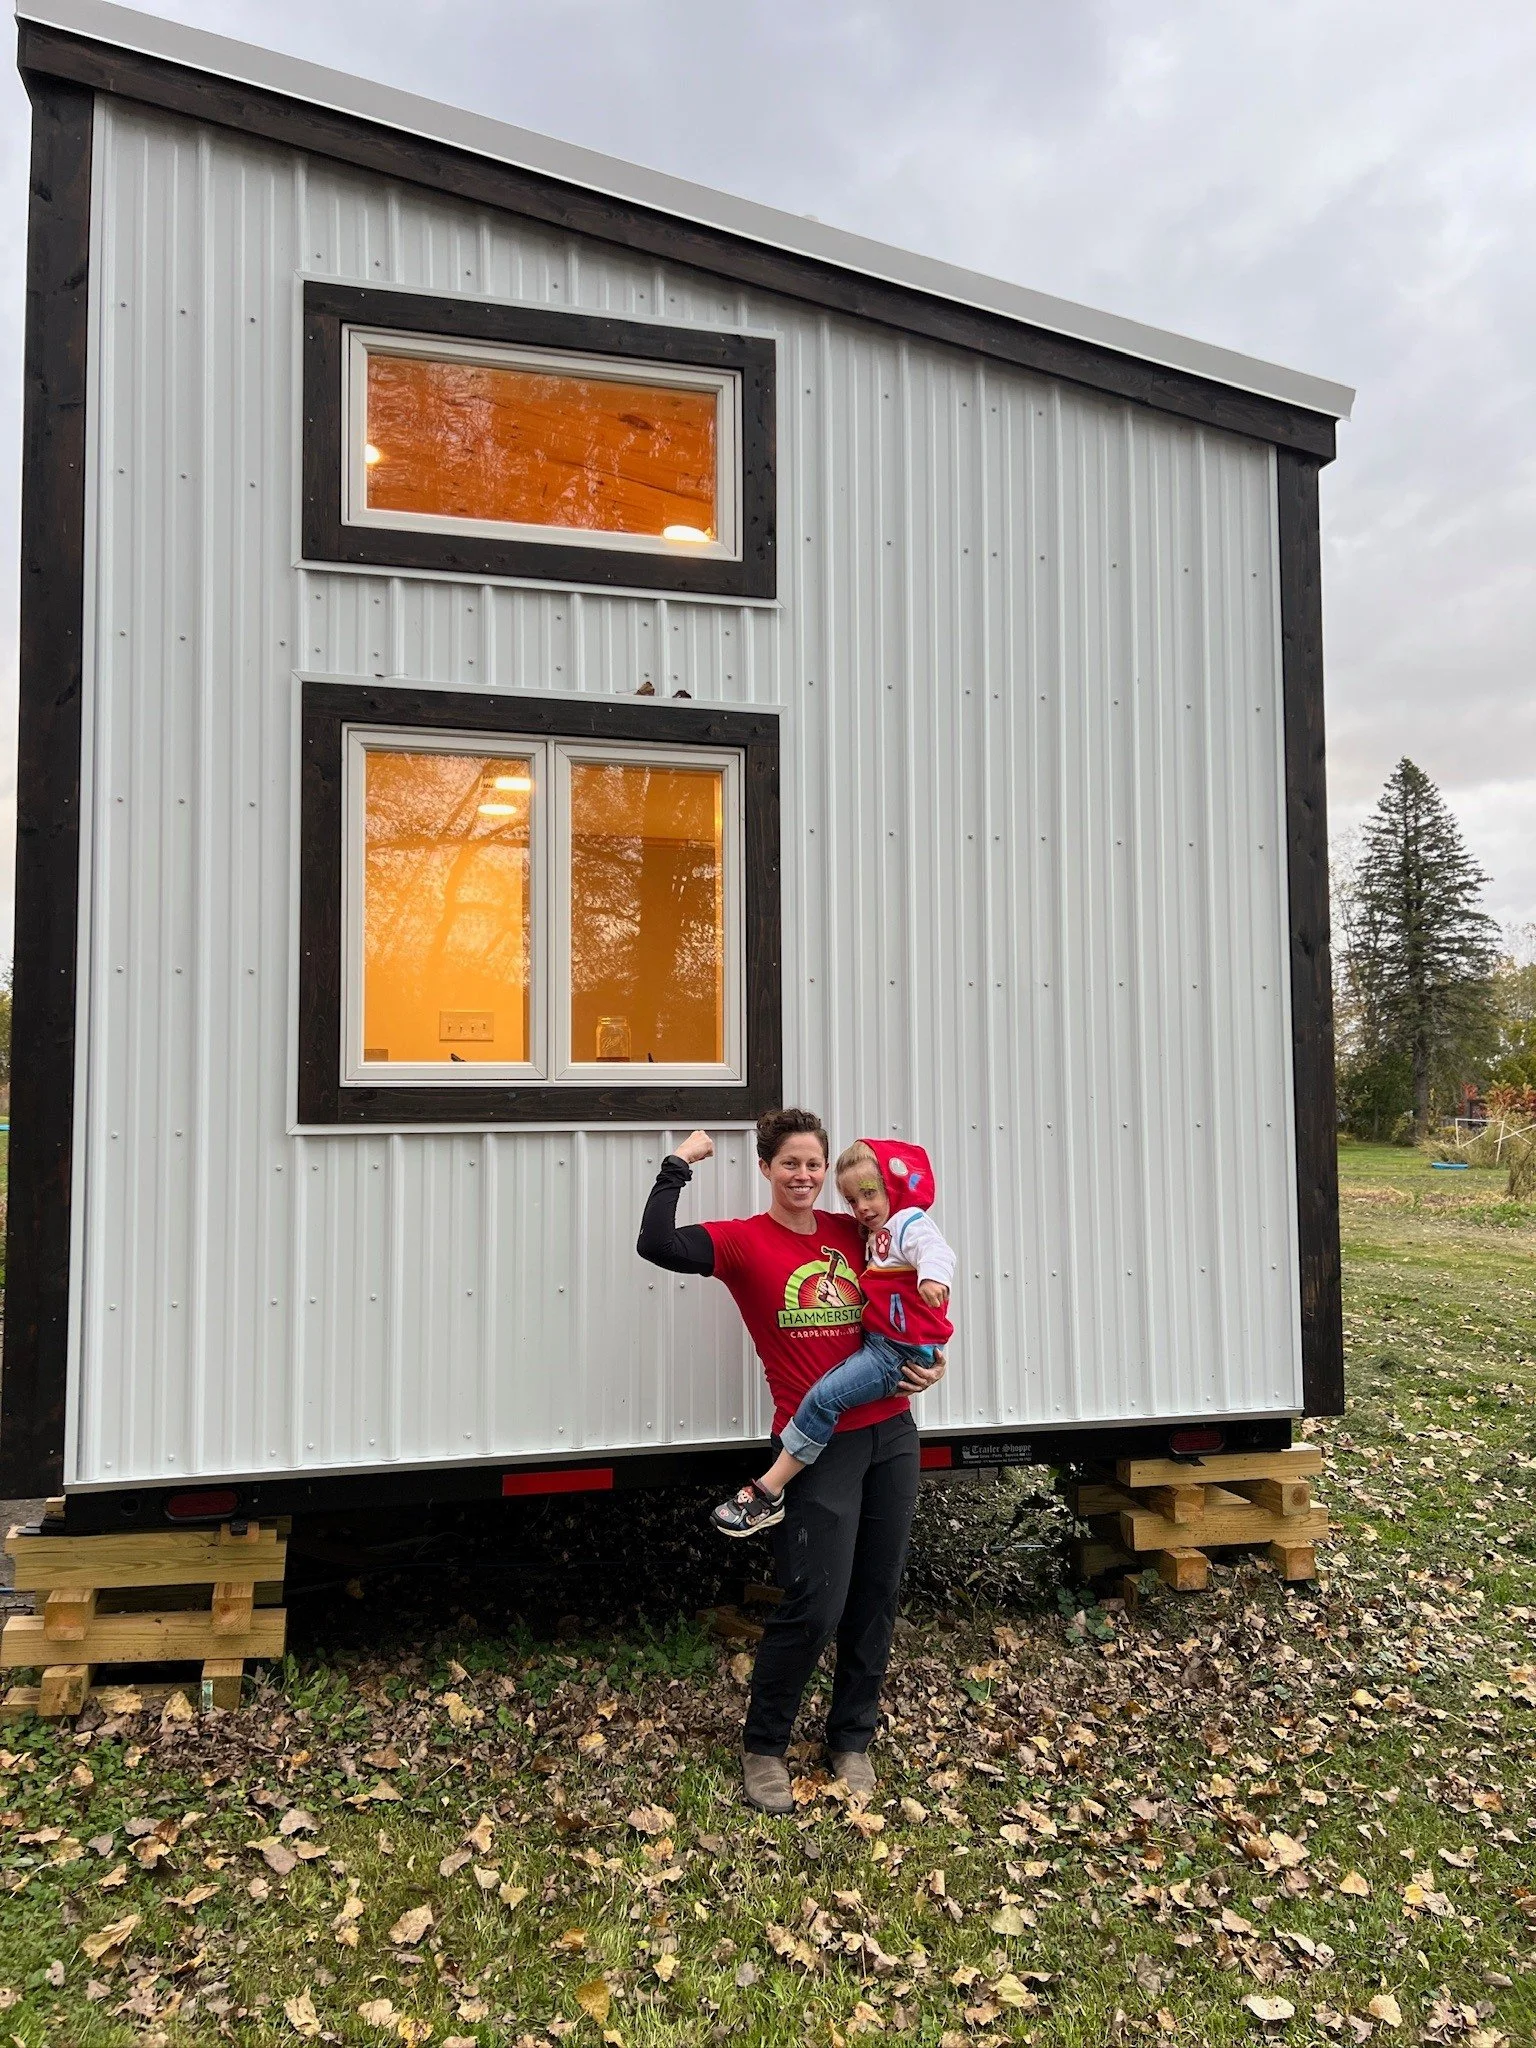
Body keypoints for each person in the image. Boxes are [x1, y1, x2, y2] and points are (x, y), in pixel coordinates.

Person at [636, 1109, 945, 1814]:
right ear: (768, 1168)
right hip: (817, 1450)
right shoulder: (746, 1242)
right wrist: (680, 1161)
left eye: (815, 1165)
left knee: (876, 1594)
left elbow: (912, 1292)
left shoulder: (854, 1231)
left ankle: (852, 1738)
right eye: (791, 1165)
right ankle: (765, 1746)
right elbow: (654, 1242)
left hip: (892, 1433)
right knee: (815, 1601)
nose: (804, 1177)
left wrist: (934, 1363)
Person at [711, 1138, 954, 1536]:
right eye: (853, 1200)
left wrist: (933, 1278)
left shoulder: (909, 1222)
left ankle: (768, 1490)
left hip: (896, 1353)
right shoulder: (877, 1233)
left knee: (824, 1397)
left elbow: (936, 1251)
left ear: (893, 1189)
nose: (862, 1208)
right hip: (885, 1347)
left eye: (871, 1194)